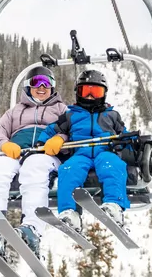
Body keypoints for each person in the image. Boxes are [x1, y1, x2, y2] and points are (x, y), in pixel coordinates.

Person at [0, 66, 68, 258]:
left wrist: (61, 139)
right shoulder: (15, 111)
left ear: (53, 87)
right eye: (37, 82)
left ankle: (33, 228)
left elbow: (74, 129)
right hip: (17, 153)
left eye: (47, 83)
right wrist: (5, 144)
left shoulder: (62, 110)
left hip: (46, 155)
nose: (42, 87)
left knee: (34, 167)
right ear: (28, 86)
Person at [37, 69, 130, 231]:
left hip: (105, 151)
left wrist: (129, 142)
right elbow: (52, 129)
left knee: (113, 165)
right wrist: (42, 141)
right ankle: (69, 212)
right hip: (80, 153)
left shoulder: (112, 115)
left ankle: (114, 205)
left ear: (104, 94)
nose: (90, 96)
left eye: (95, 92)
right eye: (86, 91)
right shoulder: (71, 115)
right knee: (68, 169)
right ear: (78, 93)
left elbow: (124, 134)